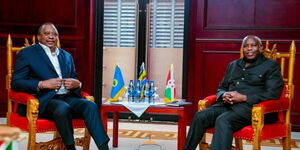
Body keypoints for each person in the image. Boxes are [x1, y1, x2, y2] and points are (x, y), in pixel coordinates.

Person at [11, 22, 110, 150]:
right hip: (44, 100)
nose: (51, 37)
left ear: (58, 37)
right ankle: (70, 147)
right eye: (47, 34)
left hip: (67, 97)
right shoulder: (28, 54)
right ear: (39, 37)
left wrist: (77, 83)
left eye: (54, 34)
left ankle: (104, 147)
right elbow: (16, 82)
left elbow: (74, 77)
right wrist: (42, 84)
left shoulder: (66, 56)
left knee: (90, 105)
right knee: (62, 107)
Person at [184, 35, 284, 150]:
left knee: (223, 120)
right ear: (242, 48)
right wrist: (223, 94)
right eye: (246, 46)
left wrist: (244, 98)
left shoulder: (271, 66)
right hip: (227, 105)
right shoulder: (233, 65)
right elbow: (221, 88)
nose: (249, 49)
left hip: (251, 109)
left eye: (253, 45)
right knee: (200, 116)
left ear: (260, 47)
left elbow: (273, 93)